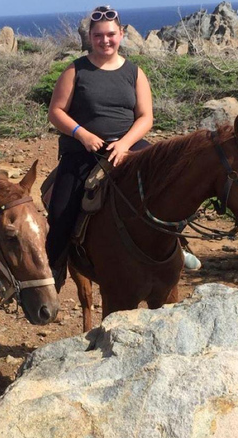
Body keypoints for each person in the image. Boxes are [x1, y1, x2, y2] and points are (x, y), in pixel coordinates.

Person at [45, 5, 201, 290]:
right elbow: (56, 112)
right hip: (83, 149)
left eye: (111, 35)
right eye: (99, 36)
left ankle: (180, 244)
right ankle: (55, 264)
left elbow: (146, 116)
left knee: (171, 184)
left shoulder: (134, 72)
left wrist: (125, 144)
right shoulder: (75, 70)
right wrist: (82, 134)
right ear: (90, 37)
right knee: (61, 208)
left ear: (122, 34)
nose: (105, 41)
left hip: (129, 143)